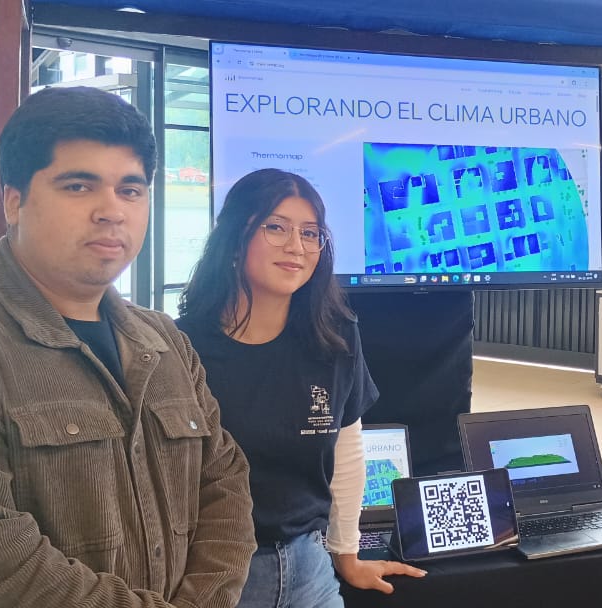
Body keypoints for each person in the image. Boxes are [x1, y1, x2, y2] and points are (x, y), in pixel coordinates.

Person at [0, 86, 256, 607]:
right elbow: (0, 582)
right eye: (79, 186)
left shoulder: (164, 341)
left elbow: (225, 488)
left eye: (131, 190)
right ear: (14, 201)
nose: (112, 211)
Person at [177, 168, 424, 608]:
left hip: (308, 566)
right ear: (235, 238)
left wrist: (346, 555)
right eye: (276, 227)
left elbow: (346, 451)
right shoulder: (182, 347)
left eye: (310, 233)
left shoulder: (335, 338)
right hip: (216, 572)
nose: (296, 246)